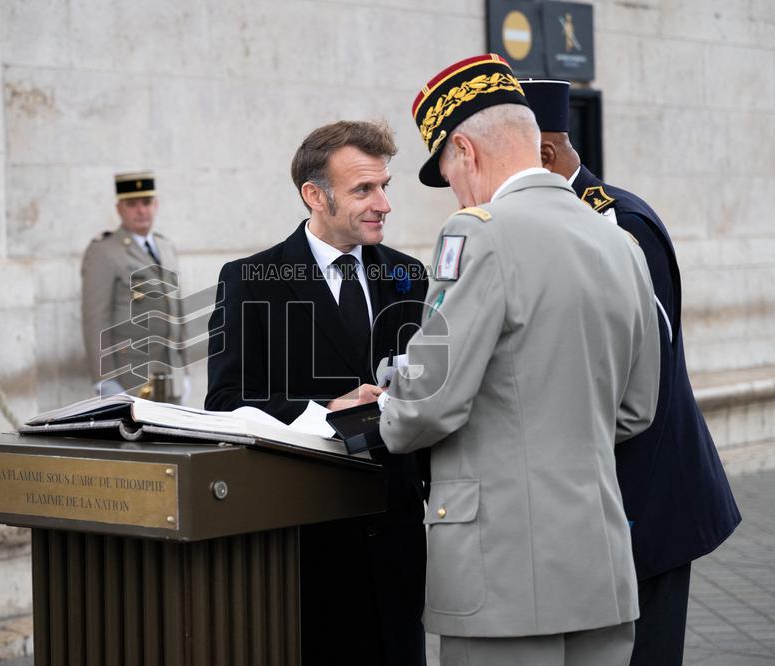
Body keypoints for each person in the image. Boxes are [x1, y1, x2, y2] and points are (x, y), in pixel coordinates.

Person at [379, 54, 660, 665]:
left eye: (447, 170)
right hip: (601, 569)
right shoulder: (620, 242)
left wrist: (389, 400)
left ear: (466, 152)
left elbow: (428, 405)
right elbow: (636, 411)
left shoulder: (476, 232)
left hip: (500, 573)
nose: (452, 187)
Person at [519, 78, 742, 666]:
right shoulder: (560, 221)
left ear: (543, 154)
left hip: (650, 496)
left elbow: (643, 379)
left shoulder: (619, 223)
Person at [205, 120, 429, 666]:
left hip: (398, 533)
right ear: (314, 195)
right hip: (310, 542)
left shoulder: (409, 276)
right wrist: (323, 410)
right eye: (363, 190)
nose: (384, 204)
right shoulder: (251, 279)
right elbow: (226, 401)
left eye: (385, 186)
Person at [81, 171, 187, 403]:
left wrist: (183, 371)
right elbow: (95, 319)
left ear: (156, 205)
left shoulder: (165, 246)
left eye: (147, 202)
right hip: (130, 377)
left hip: (170, 374)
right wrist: (105, 379)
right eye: (132, 204)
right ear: (119, 209)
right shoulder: (104, 251)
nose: (141, 210)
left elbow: (177, 311)